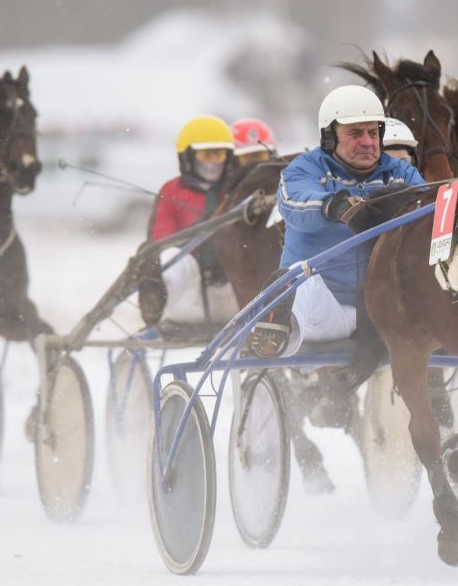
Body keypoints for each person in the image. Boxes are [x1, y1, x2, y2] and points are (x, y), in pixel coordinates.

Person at [247, 85, 426, 423]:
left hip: (381, 313)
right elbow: (294, 202)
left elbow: (425, 207)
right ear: (329, 137)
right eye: (355, 133)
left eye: (374, 132)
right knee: (301, 277)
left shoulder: (400, 172)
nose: (368, 142)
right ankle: (271, 326)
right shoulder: (302, 170)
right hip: (322, 310)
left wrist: (401, 201)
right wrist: (334, 203)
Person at [139, 115, 241, 327]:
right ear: (188, 157)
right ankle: (153, 302)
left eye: (219, 154)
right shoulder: (171, 191)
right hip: (188, 298)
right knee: (167, 255)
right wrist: (198, 233)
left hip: (236, 294)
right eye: (206, 154)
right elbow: (161, 239)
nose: (213, 162)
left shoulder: (237, 188)